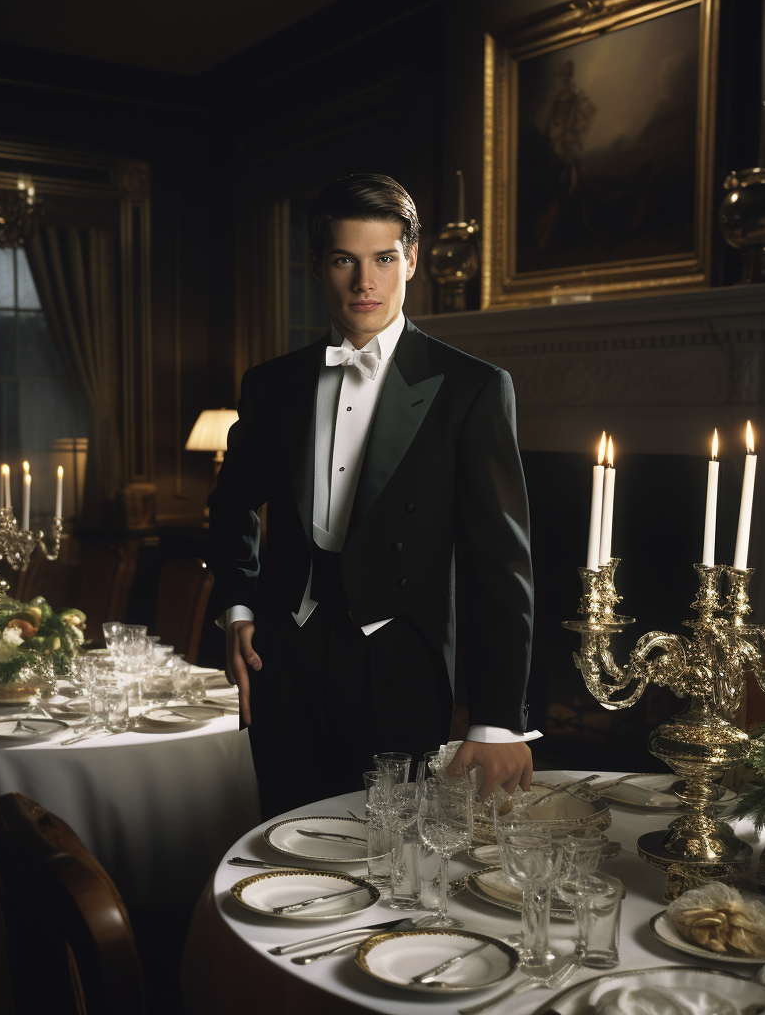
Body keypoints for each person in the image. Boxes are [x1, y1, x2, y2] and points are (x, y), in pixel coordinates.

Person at [207, 173, 538, 818]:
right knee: (287, 843)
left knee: (394, 862)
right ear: (318, 266)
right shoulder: (272, 385)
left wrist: (499, 720)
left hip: (400, 666)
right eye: (345, 260)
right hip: (287, 658)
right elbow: (232, 504)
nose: (366, 281)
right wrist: (238, 608)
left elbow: (501, 565)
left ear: (410, 261)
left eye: (385, 258)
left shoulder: (471, 388)